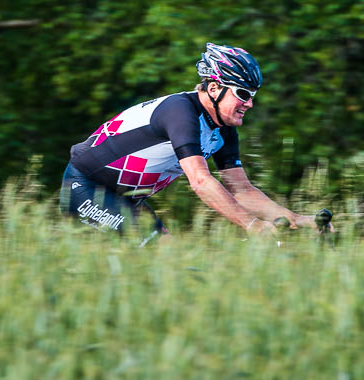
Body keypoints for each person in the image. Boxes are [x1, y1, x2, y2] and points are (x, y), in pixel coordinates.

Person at [64, 43, 317, 241]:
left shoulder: (223, 128)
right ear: (215, 88)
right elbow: (200, 181)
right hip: (86, 188)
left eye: (252, 95)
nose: (249, 103)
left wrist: (295, 219)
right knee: (162, 254)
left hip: (127, 199)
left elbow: (242, 190)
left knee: (168, 264)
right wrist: (252, 225)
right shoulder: (180, 112)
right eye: (242, 93)